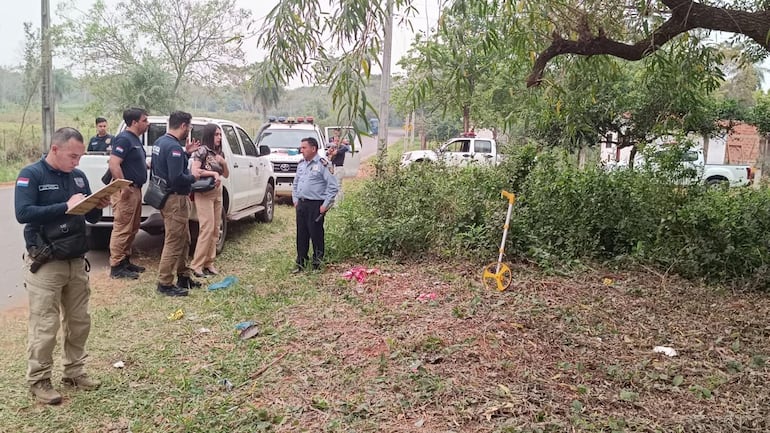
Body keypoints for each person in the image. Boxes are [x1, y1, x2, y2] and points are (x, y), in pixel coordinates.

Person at [14, 127, 111, 405]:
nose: (77, 162)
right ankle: (39, 379)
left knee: (79, 321)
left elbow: (90, 216)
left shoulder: (78, 177)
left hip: (76, 261)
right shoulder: (31, 174)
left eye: (80, 156)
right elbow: (23, 213)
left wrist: (99, 204)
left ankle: (74, 371)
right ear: (55, 150)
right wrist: (64, 206)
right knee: (45, 324)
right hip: (46, 262)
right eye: (72, 156)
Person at [151, 111, 202, 296]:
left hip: (167, 198)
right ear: (183, 126)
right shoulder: (173, 147)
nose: (189, 130)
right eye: (189, 126)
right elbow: (176, 177)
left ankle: (183, 275)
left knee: (184, 238)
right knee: (174, 241)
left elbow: (166, 168)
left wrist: (186, 154)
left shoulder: (160, 142)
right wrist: (193, 177)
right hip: (175, 199)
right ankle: (164, 282)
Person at [108, 108, 150, 279]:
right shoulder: (124, 139)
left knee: (132, 228)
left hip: (136, 189)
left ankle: (125, 260)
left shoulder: (135, 140)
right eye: (145, 120)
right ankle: (116, 266)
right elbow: (114, 164)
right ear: (134, 122)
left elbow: (129, 162)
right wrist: (123, 186)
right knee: (122, 227)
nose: (147, 123)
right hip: (127, 190)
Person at [292, 136, 339, 272]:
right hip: (301, 204)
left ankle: (317, 264)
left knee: (316, 234)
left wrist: (325, 205)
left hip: (316, 205)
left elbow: (333, 187)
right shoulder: (301, 164)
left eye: (304, 147)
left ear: (313, 149)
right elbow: (295, 184)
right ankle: (301, 262)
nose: (302, 150)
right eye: (301, 147)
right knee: (301, 235)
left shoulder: (323, 164)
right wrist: (295, 200)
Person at [190, 123, 229, 278]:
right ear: (209, 135)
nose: (219, 137)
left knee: (215, 228)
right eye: (216, 134)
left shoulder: (219, 153)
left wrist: (223, 163)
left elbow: (226, 174)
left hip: (217, 192)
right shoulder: (202, 151)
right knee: (206, 227)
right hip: (204, 192)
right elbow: (195, 171)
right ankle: (196, 265)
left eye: (220, 135)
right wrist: (212, 173)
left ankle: (209, 262)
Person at [326, 136, 351, 202]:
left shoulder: (342, 147)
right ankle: (336, 201)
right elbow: (327, 154)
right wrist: (330, 151)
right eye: (335, 141)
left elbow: (345, 148)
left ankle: (339, 202)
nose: (336, 142)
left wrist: (336, 151)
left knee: (338, 186)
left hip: (339, 168)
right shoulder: (333, 148)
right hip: (334, 168)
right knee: (334, 185)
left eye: (338, 141)